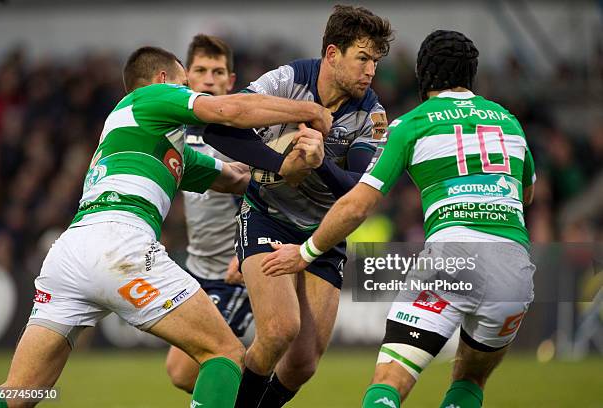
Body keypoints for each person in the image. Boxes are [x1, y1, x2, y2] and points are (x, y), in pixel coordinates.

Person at [0, 45, 331, 408]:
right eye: (187, 84)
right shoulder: (149, 97)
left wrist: (292, 164)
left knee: (19, 394)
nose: (193, 90)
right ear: (164, 80)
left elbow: (237, 177)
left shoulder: (161, 145)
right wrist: (309, 110)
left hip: (70, 254)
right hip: (118, 243)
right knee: (225, 353)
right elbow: (226, 110)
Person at [262, 30, 536, 408]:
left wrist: (306, 252)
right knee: (470, 378)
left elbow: (357, 204)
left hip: (452, 258)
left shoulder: (412, 124)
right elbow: (527, 195)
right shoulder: (509, 122)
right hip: (513, 267)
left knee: (389, 382)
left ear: (423, 76)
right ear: (471, 76)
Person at [202, 5, 393, 407]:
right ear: (332, 54)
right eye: (362, 58)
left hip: (323, 232)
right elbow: (218, 130)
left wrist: (319, 162)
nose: (370, 70)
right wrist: (282, 165)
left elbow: (354, 192)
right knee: (278, 330)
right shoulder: (287, 81)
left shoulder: (371, 115)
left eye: (375, 61)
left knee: (303, 363)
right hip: (267, 216)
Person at [164, 33, 254, 394]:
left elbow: (264, 194)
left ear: (231, 81)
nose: (210, 78)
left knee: (188, 369)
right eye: (201, 69)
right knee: (185, 371)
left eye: (218, 71)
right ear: (187, 78)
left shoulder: (243, 134)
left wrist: (246, 253)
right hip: (196, 269)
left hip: (231, 271)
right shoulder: (178, 131)